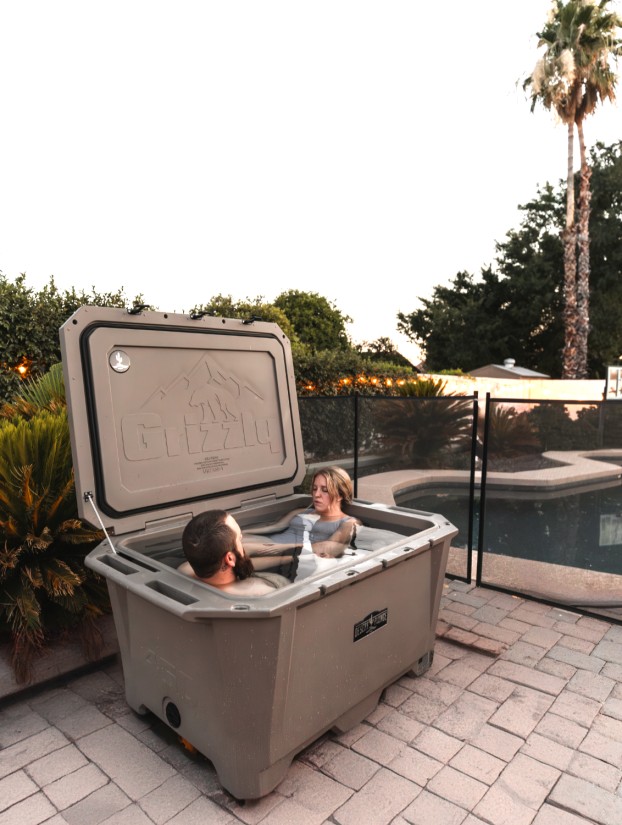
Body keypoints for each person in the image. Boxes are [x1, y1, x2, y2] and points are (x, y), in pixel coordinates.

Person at [242, 466, 362, 579]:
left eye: (324, 490)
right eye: (315, 489)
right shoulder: (303, 511)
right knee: (237, 542)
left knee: (240, 552)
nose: (316, 494)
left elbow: (327, 548)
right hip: (271, 543)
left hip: (288, 556)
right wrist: (241, 532)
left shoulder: (349, 523)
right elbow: (273, 526)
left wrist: (279, 548)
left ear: (340, 495)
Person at [178, 509, 288, 595]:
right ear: (229, 559)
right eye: (240, 539)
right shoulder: (261, 590)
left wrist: (287, 557)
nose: (243, 540)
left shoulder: (184, 570)